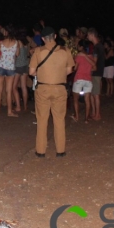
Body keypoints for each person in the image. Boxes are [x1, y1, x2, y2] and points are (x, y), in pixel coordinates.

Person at [29, 27, 74, 158]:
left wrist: (44, 74)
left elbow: (31, 72)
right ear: (55, 36)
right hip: (59, 88)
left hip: (43, 88)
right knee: (59, 119)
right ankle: (60, 150)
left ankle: (41, 150)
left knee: (42, 119)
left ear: (42, 39)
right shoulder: (65, 51)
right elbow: (70, 69)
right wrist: (57, 74)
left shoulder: (38, 51)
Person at [0, 27, 20, 117]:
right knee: (9, 91)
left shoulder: (1, 43)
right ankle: (9, 112)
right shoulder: (16, 43)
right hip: (10, 68)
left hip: (1, 66)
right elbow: (17, 54)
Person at [71, 43, 96, 124]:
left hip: (79, 79)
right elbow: (94, 68)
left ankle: (76, 116)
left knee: (75, 99)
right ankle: (86, 119)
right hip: (88, 80)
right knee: (87, 100)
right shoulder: (91, 57)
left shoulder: (79, 56)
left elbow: (75, 68)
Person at [87, 28, 104, 121]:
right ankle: (94, 113)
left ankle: (98, 114)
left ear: (92, 35)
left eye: (88, 35)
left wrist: (86, 57)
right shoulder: (98, 46)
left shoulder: (97, 47)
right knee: (93, 94)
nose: (87, 37)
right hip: (96, 72)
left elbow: (94, 62)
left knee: (96, 94)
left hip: (96, 73)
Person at [13, 32, 30, 112]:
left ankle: (18, 106)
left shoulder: (18, 42)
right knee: (24, 87)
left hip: (18, 65)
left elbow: (17, 53)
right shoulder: (26, 43)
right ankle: (25, 106)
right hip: (25, 65)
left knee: (14, 87)